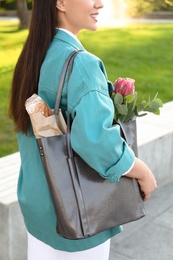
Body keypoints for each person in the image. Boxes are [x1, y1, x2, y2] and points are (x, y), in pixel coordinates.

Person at [9, 0, 157, 259]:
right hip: (79, 215)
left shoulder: (34, 55)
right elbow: (96, 142)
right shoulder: (81, 64)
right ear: (61, 3)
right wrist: (142, 172)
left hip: (39, 210)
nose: (100, 4)